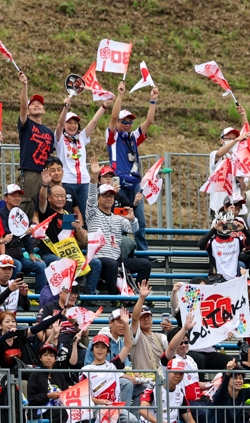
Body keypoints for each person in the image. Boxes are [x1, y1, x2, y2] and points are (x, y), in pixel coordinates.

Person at [106, 79, 160, 252]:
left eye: (130, 122)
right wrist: (120, 95)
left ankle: (142, 254)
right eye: (125, 121)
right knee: (121, 220)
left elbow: (149, 122)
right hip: (119, 182)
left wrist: (153, 100)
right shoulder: (113, 137)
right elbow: (113, 117)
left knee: (140, 221)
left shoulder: (133, 137)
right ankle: (121, 253)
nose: (128, 124)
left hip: (134, 182)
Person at [84, 165, 151, 293]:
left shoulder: (117, 218)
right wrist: (93, 176)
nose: (109, 198)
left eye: (111, 195)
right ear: (98, 198)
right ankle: (115, 298)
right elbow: (91, 197)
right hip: (98, 259)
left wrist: (132, 219)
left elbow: (133, 229)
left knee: (145, 264)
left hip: (116, 260)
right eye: (105, 195)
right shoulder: (92, 213)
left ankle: (137, 294)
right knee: (112, 263)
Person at [16, 71, 55, 218]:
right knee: (26, 205)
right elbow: (23, 108)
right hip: (30, 172)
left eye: (39, 103)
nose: (36, 105)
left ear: (44, 110)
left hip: (45, 174)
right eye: (33, 104)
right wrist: (25, 85)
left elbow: (50, 155)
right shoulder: (27, 124)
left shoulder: (49, 132)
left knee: (45, 208)